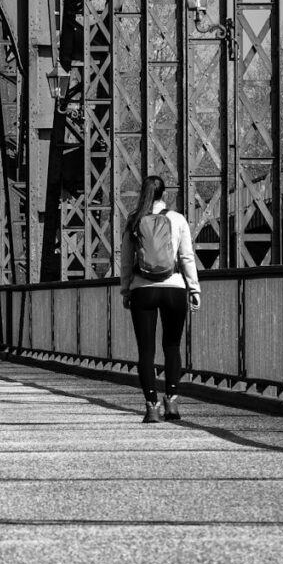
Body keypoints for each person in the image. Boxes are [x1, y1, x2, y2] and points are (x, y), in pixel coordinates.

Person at [118, 174, 199, 423]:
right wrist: (194, 289)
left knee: (146, 351)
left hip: (143, 289)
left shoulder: (134, 220)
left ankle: (152, 405)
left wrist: (126, 289)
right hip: (174, 288)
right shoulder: (177, 219)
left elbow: (125, 261)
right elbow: (186, 257)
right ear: (164, 194)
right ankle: (172, 402)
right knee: (172, 346)